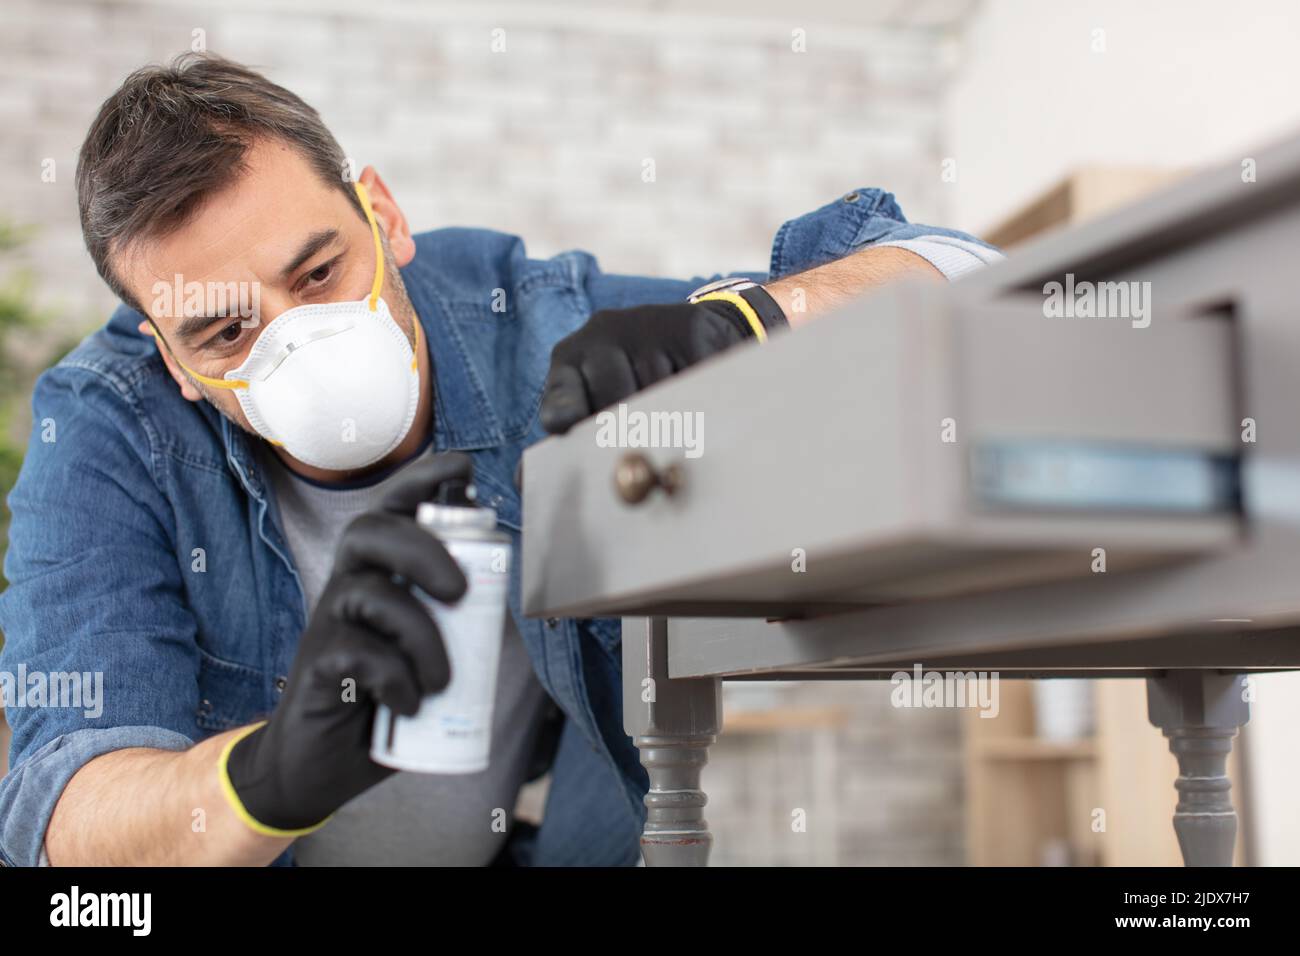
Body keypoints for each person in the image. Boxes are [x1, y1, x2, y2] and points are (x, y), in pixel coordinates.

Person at [0, 52, 1002, 866]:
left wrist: (755, 323)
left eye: (318, 271)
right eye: (223, 334)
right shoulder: (104, 427)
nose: (298, 342)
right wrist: (265, 776)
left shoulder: (527, 322)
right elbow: (60, 818)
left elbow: (964, 276)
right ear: (170, 358)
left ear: (382, 217)